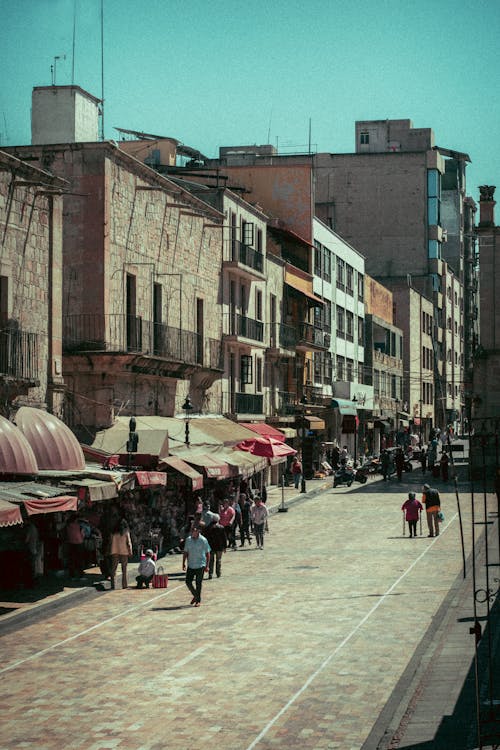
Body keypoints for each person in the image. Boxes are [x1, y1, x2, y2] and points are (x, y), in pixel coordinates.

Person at [182, 526, 211, 607]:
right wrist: (183, 563)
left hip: (200, 564)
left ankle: (198, 600)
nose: (193, 532)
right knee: (188, 582)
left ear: (198, 531)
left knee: (198, 583)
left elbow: (208, 553)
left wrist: (207, 565)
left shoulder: (203, 540)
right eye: (192, 531)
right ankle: (195, 595)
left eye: (194, 531)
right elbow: (185, 552)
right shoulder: (188, 540)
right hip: (191, 564)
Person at [110, 518, 133, 589]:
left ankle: (113, 585)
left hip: (114, 551)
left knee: (113, 569)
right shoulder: (126, 532)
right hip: (124, 551)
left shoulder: (113, 532)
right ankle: (124, 584)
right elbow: (128, 543)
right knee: (124, 569)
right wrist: (130, 551)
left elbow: (110, 542)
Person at [66, 513, 85, 579]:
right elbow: (83, 534)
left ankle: (72, 575)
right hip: (79, 543)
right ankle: (81, 575)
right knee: (80, 560)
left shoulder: (68, 525)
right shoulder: (79, 526)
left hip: (71, 543)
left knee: (72, 560)